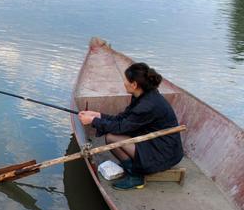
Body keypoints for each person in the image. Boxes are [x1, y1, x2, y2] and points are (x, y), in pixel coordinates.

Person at [78, 62, 184, 190]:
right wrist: (98, 115)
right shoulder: (143, 95)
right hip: (156, 142)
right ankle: (133, 166)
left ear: (134, 84)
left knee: (112, 138)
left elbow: (120, 127)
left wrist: (93, 121)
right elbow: (123, 119)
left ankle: (136, 177)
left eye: (126, 80)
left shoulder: (147, 106)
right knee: (114, 134)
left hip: (164, 153)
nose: (124, 82)